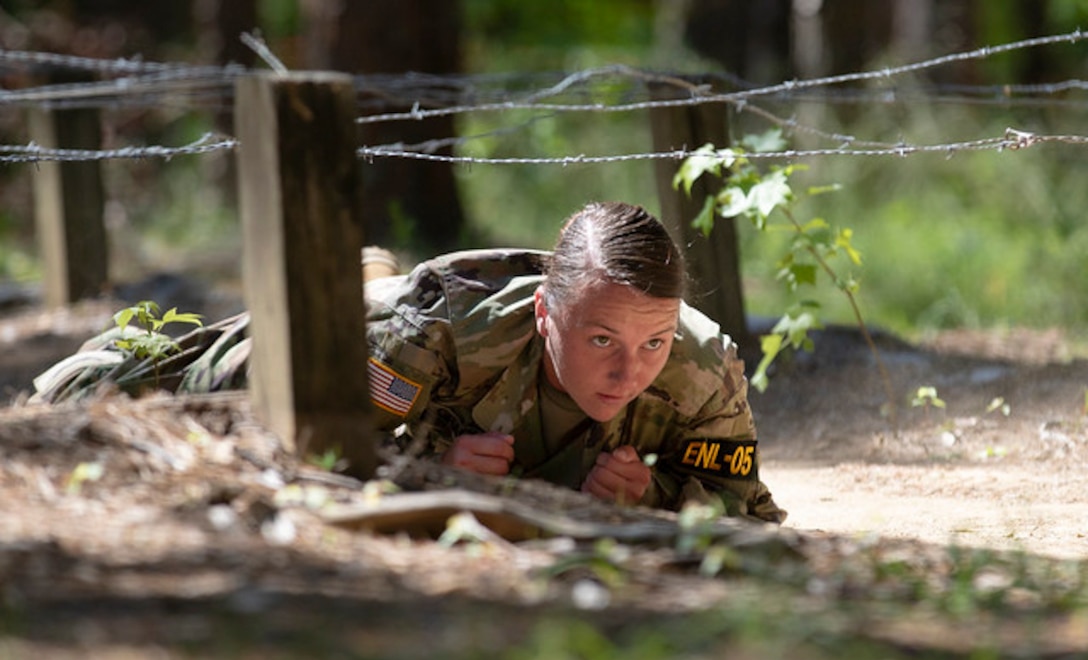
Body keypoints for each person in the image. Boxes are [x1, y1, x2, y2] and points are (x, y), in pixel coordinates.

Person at [33, 201, 786, 523]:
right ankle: (348, 286)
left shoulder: (703, 365)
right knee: (129, 392)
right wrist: (431, 464)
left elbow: (748, 508)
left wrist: (656, 493)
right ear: (544, 315)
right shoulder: (444, 330)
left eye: (651, 343)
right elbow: (318, 451)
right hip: (348, 339)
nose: (630, 374)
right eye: (601, 342)